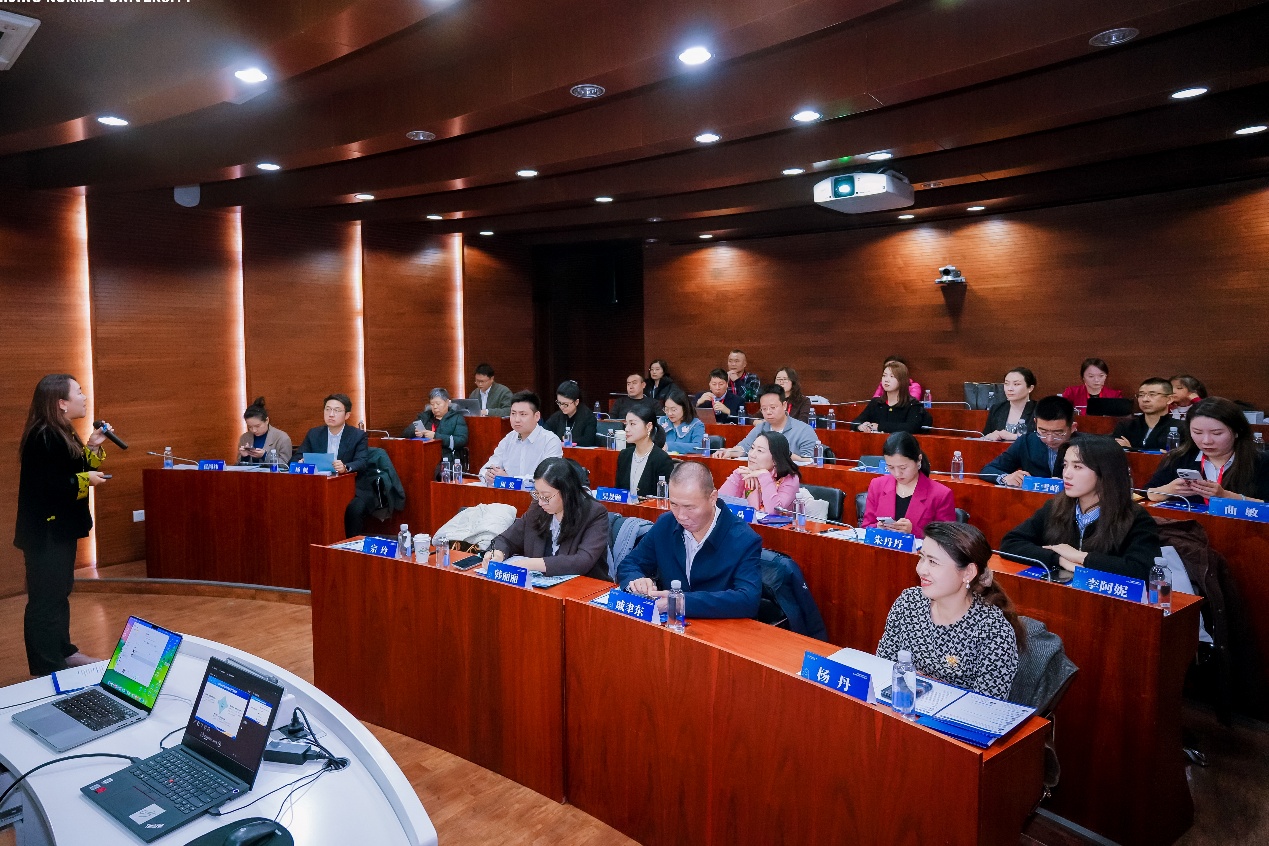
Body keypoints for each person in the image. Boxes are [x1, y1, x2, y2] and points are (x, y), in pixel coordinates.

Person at [15, 374, 109, 675]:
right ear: (61, 403)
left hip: (60, 530)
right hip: (45, 533)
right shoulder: (42, 436)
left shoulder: (62, 431)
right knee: (45, 599)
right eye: (78, 392)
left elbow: (76, 470)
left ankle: (64, 653)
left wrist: (93, 447)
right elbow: (49, 487)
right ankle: (47, 666)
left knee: (59, 592)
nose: (84, 397)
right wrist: (85, 480)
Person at [877, 522, 1024, 699]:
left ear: (968, 572)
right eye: (921, 557)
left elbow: (987, 706)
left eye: (933, 562)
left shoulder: (993, 630)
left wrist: (928, 687)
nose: (921, 569)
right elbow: (881, 668)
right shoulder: (908, 602)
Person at [1002, 434, 1163, 580]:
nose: (1066, 474)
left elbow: (1142, 570)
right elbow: (1010, 543)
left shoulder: (1135, 517)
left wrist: (1081, 557)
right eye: (1065, 465)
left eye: (1077, 467)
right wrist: (1059, 559)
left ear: (1105, 472)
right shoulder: (1055, 506)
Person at [616, 462, 763, 619]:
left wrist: (682, 602)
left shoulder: (743, 539)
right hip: (670, 625)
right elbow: (629, 563)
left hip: (718, 627)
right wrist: (637, 580)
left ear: (712, 498)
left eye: (690, 507)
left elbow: (748, 600)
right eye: (674, 504)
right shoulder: (666, 523)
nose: (681, 516)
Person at [484, 457, 610, 580]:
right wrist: (497, 553)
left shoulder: (595, 513)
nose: (540, 502)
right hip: (540, 587)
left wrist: (530, 564)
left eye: (546, 496)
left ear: (567, 492)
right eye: (537, 493)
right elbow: (507, 539)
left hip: (583, 586)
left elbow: (582, 561)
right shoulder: (537, 508)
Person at [1146, 397, 1269, 505]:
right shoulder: (1178, 458)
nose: (1206, 441)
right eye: (1197, 432)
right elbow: (1145, 493)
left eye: (1217, 433)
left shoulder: (1261, 461)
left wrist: (1226, 496)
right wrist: (1168, 490)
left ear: (1237, 431)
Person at [296, 394, 373, 537]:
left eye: (337, 410)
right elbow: (296, 458)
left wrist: (345, 467)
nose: (331, 414)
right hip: (319, 486)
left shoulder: (357, 435)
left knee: (354, 509)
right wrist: (300, 462)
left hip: (352, 487)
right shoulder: (314, 434)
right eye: (327, 409)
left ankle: (350, 544)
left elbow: (362, 461)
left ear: (347, 415)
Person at [862, 433, 956, 538]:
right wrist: (877, 528)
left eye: (903, 468)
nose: (897, 474)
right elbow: (865, 527)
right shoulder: (877, 485)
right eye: (891, 467)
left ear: (918, 460)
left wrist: (913, 531)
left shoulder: (941, 494)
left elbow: (947, 539)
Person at [980, 396, 1076, 486]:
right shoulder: (1026, 442)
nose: (1049, 439)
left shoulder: (1083, 446)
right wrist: (1005, 478)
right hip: (1032, 497)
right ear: (1035, 423)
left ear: (1072, 428)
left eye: (1057, 433)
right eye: (1043, 432)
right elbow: (988, 470)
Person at [479, 391, 564, 484]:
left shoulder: (550, 441)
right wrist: (488, 475)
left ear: (537, 416)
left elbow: (547, 478)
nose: (516, 419)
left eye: (523, 414)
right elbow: (486, 468)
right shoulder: (508, 439)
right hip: (507, 492)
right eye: (513, 413)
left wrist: (510, 480)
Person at [718, 384, 820, 462]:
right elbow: (744, 447)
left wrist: (786, 456)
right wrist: (729, 452)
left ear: (784, 405)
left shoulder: (804, 430)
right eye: (764, 408)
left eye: (773, 407)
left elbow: (810, 461)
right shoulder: (761, 427)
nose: (768, 412)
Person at [718, 431, 801, 514]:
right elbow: (718, 505)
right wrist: (737, 476)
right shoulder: (744, 474)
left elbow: (773, 512)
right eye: (752, 448)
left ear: (776, 459)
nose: (752, 455)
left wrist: (764, 476)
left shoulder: (790, 479)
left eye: (760, 451)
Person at [615, 402, 676, 499]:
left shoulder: (662, 459)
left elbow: (664, 498)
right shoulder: (624, 455)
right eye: (626, 424)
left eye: (632, 424)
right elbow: (618, 493)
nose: (626, 429)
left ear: (649, 426)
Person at [853, 361, 931, 434]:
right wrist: (860, 426)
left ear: (902, 380)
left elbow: (911, 427)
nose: (886, 380)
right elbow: (855, 422)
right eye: (884, 375)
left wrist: (879, 427)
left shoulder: (913, 405)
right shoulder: (876, 403)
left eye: (892, 376)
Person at [402, 387, 469, 467]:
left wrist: (435, 436)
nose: (435, 407)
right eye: (432, 404)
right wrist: (415, 432)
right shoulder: (425, 417)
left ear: (447, 402)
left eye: (438, 403)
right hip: (423, 456)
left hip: (446, 459)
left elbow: (461, 441)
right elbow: (404, 434)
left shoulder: (457, 418)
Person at [1113, 378, 1178, 451]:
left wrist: (1131, 449)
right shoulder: (1126, 426)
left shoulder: (1181, 428)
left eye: (1152, 395)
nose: (1145, 399)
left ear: (1169, 399)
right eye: (1141, 395)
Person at [982, 368, 1037, 441]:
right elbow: (984, 437)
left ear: (1030, 388)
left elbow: (1044, 439)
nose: (1010, 389)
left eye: (1016, 384)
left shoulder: (1039, 410)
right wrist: (990, 436)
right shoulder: (997, 409)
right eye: (1006, 384)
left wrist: (1015, 437)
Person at [235, 396, 293, 465]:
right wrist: (244, 457)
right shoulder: (245, 438)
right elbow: (237, 466)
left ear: (267, 420)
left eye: (257, 426)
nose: (254, 430)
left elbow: (285, 465)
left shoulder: (282, 438)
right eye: (250, 427)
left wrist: (264, 456)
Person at [543, 380, 598, 447]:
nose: (561, 407)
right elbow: (544, 433)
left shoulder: (588, 417)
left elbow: (588, 440)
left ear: (576, 402)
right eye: (559, 403)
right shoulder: (557, 416)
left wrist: (567, 440)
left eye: (565, 404)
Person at [659, 388, 705, 455]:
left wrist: (669, 446)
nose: (669, 413)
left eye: (674, 410)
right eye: (666, 409)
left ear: (685, 408)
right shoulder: (661, 421)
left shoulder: (696, 424)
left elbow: (699, 448)